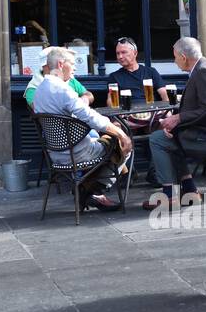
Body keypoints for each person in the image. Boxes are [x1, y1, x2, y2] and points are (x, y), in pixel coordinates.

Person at [32, 47, 132, 212]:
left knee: (108, 139)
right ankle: (91, 190)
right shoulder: (63, 90)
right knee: (124, 144)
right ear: (60, 64)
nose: (75, 68)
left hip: (56, 155)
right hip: (78, 154)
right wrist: (121, 134)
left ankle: (85, 188)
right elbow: (91, 118)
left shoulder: (40, 90)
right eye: (72, 64)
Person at [144, 38, 206, 208]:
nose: (175, 61)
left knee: (158, 139)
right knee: (171, 137)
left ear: (184, 57)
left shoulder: (203, 72)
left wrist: (177, 119)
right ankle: (190, 191)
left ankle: (169, 195)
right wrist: (177, 124)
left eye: (175, 57)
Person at [106, 37, 171, 104]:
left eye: (123, 52)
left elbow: (164, 94)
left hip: (151, 111)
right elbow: (111, 100)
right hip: (127, 112)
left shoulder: (150, 72)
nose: (120, 56)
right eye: (118, 53)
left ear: (135, 53)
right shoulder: (114, 76)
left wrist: (167, 111)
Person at [24, 47, 92, 107]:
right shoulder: (33, 87)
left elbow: (87, 94)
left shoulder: (70, 80)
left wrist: (85, 98)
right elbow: (40, 108)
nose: (75, 68)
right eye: (71, 63)